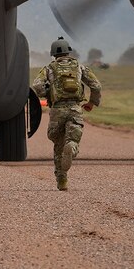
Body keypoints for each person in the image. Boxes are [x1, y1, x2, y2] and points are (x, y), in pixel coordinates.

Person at [32, 36, 102, 191]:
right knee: (71, 140)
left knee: (58, 143)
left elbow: (36, 86)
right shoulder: (80, 67)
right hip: (75, 108)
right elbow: (96, 85)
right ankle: (72, 147)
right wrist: (91, 103)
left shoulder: (49, 68)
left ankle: (61, 179)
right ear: (68, 51)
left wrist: (48, 93)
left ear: (53, 53)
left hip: (57, 110)